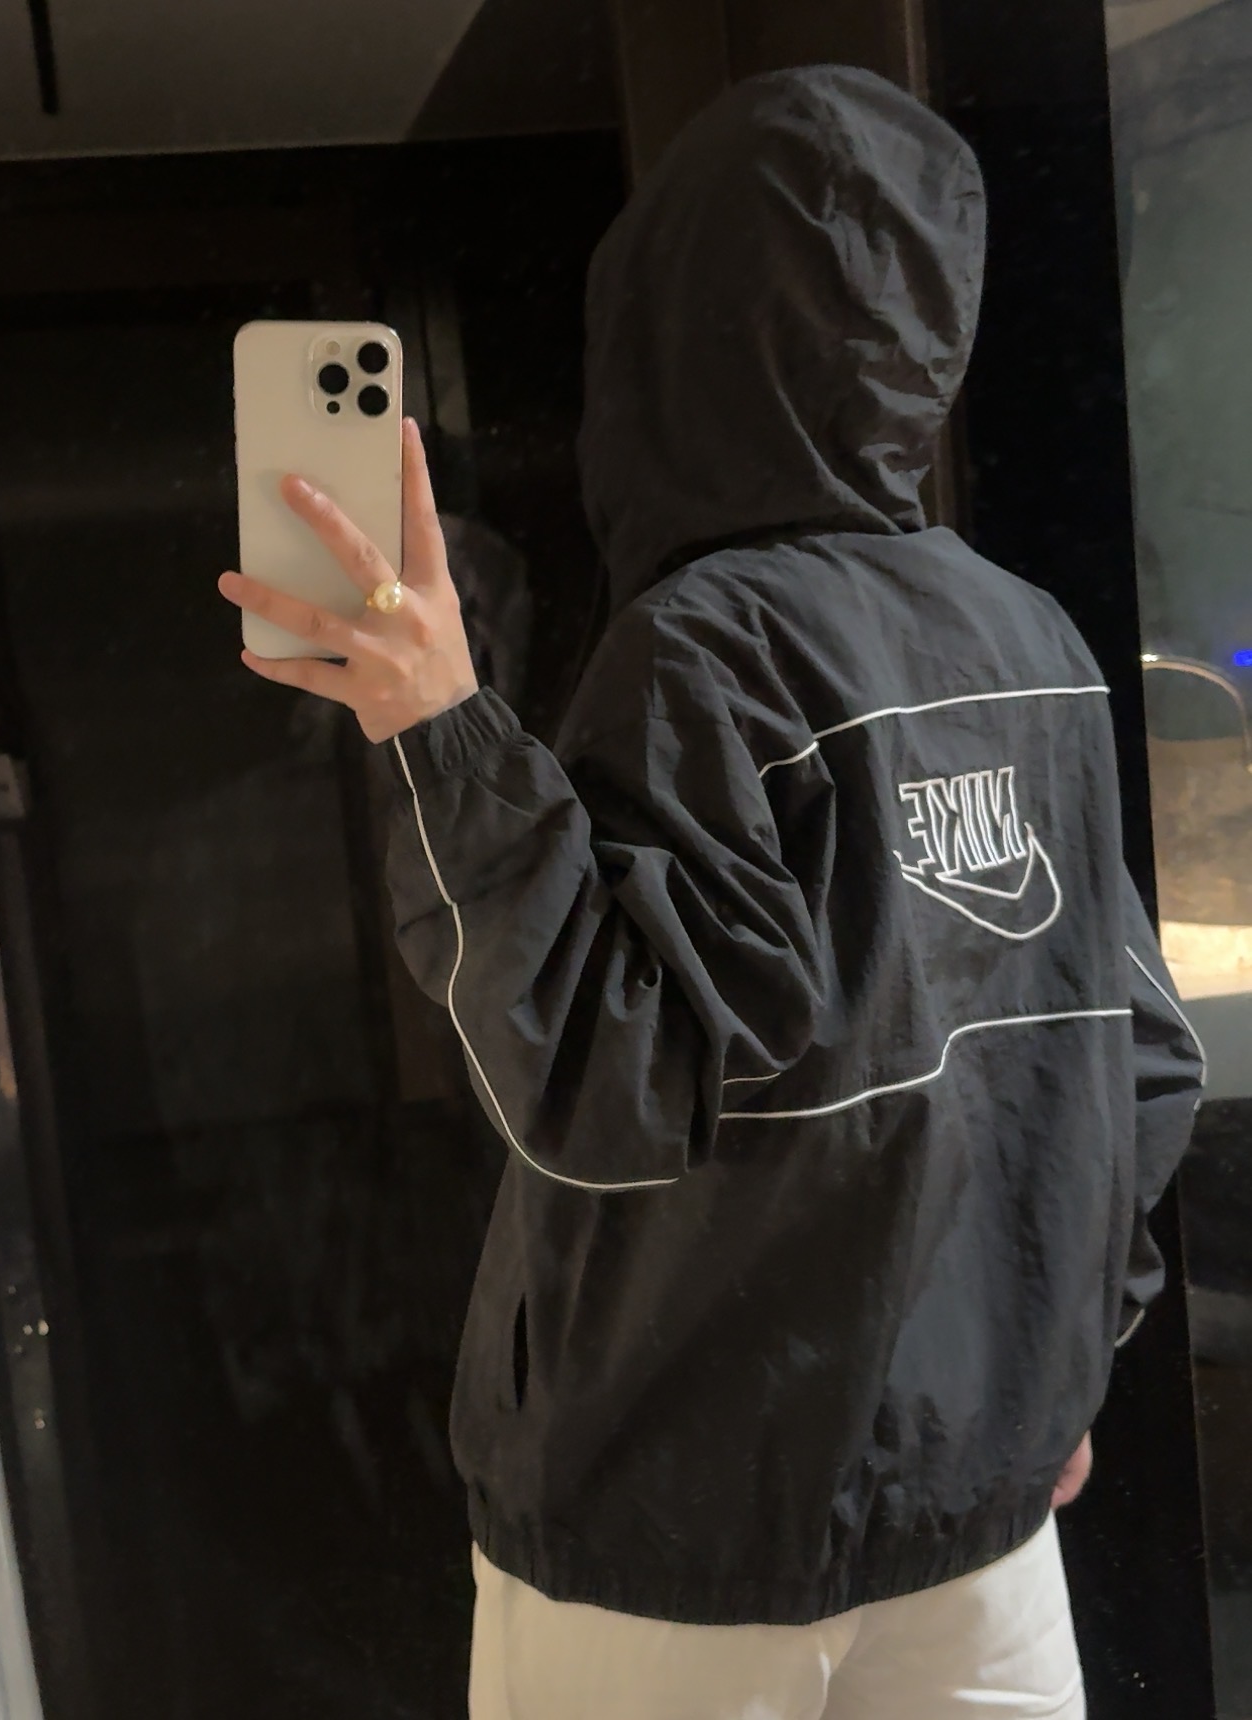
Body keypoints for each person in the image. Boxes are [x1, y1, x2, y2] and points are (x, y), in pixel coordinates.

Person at [219, 65, 1205, 1720]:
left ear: (663, 331)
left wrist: (440, 729)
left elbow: (603, 1089)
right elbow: (1142, 1067)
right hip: (977, 1523)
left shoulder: (707, 645)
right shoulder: (1023, 639)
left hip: (673, 1528)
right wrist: (1052, 1366)